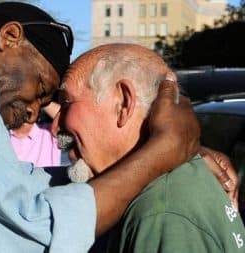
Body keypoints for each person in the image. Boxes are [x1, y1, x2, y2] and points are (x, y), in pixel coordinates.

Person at [0, 2, 228, 252]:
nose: (35, 113)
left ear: (124, 103)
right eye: (40, 89)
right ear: (9, 37)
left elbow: (21, 187)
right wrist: (163, 150)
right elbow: (34, 229)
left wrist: (167, 153)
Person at [54, 43, 245, 252]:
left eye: (66, 102)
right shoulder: (163, 195)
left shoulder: (161, 212)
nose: (55, 126)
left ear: (123, 103)